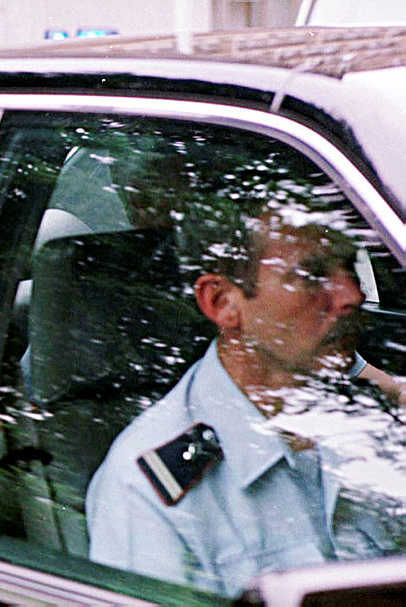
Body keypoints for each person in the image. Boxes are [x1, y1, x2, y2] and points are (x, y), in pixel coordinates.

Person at [86, 195, 400, 597]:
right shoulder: (146, 489)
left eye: (351, 267)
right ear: (222, 303)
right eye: (312, 275)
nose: (351, 295)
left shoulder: (372, 413)